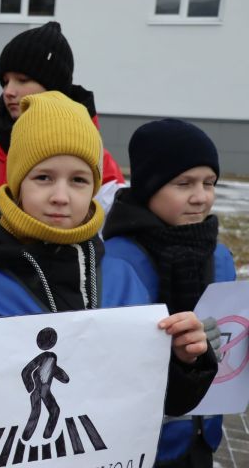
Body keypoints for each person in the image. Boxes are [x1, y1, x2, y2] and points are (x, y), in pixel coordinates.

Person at [0, 92, 214, 425]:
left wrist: (183, 360)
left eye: (78, 180)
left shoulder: (123, 279)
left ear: (94, 187)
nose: (61, 197)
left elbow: (160, 400)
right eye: (43, 177)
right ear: (17, 183)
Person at [0, 21, 126, 284]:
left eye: (22, 80)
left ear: (55, 84)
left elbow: (109, 252)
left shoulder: (99, 164)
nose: (8, 91)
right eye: (5, 81)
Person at [103, 118, 231, 468]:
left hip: (203, 437)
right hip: (139, 447)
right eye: (183, 183)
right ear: (148, 188)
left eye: (209, 183)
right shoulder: (116, 263)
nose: (200, 196)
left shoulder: (219, 255)